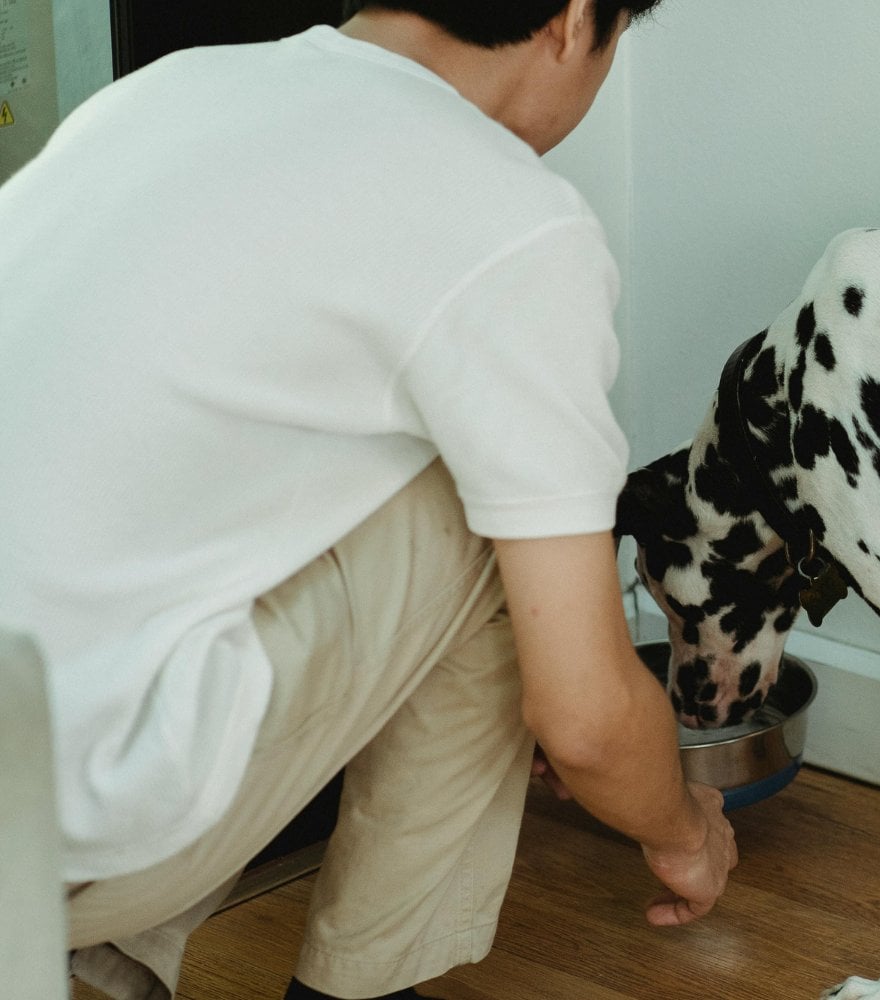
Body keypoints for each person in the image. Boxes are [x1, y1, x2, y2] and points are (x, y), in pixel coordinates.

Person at [0, 1, 739, 997]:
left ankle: (98, 968)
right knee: (501, 523)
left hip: (29, 758)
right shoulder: (510, 213)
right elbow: (589, 720)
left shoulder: (167, 93)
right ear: (572, 22)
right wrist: (686, 828)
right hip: (46, 831)